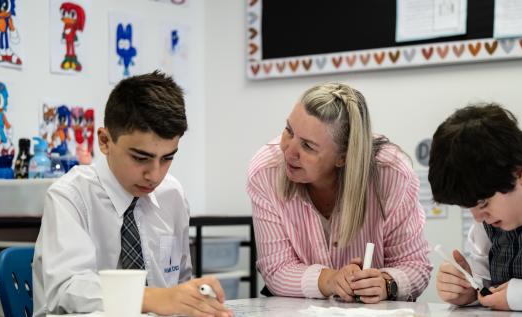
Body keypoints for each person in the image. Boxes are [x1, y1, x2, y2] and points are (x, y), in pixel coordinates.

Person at [32, 71, 232, 317]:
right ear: (105, 141)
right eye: (140, 158)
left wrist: (194, 298)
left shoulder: (172, 194)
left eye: (168, 158)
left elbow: (180, 279)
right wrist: (153, 298)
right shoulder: (69, 197)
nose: (155, 175)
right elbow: (68, 291)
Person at [246, 82, 432, 303]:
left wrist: (385, 283)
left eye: (307, 146)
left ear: (343, 157)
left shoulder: (392, 174)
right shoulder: (266, 171)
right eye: (289, 131)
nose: (289, 151)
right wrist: (330, 280)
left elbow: (416, 266)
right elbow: (276, 269)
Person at [428, 103, 522, 315]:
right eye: (470, 208)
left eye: (484, 204)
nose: (478, 218)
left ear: (520, 173)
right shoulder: (488, 216)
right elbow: (488, 277)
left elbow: (517, 297)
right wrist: (468, 288)